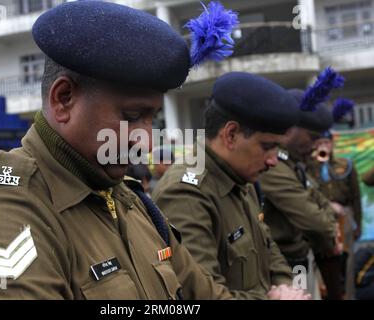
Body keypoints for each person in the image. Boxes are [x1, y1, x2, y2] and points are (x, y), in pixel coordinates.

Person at [0, 1, 240, 299]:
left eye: (152, 119)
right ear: (63, 98)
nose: (146, 142)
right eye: (131, 117)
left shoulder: (133, 203)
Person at [152, 72, 310, 299]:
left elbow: (267, 247)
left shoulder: (239, 177)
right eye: (267, 147)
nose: (273, 160)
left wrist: (287, 287)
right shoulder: (186, 193)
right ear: (231, 135)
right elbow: (199, 294)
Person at [259, 85, 342, 299]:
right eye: (312, 137)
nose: (316, 146)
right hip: (282, 262)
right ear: (290, 129)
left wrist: (330, 229)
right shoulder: (274, 166)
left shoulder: (294, 165)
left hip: (297, 259)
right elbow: (313, 219)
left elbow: (321, 201)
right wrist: (330, 233)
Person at [307, 98, 361, 299]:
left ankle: (347, 294)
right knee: (325, 259)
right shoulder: (308, 167)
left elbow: (355, 196)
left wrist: (358, 225)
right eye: (320, 142)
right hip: (322, 215)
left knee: (346, 259)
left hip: (345, 216)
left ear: (332, 143)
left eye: (326, 142)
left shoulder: (344, 164)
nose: (323, 146)